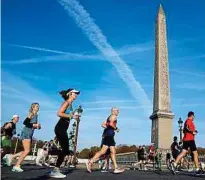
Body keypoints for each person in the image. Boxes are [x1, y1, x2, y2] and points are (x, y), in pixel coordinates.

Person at [49, 89, 80, 178]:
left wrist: (74, 115)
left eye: (77, 94)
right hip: (60, 128)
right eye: (75, 93)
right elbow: (59, 113)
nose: (76, 95)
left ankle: (56, 169)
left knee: (65, 149)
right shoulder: (66, 102)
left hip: (62, 128)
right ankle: (55, 170)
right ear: (70, 94)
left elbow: (68, 114)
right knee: (65, 149)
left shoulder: (70, 104)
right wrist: (71, 116)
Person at [86, 107, 124, 174]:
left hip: (108, 135)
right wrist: (116, 128)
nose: (118, 112)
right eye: (117, 111)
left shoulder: (109, 117)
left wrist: (109, 128)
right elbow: (111, 124)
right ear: (113, 111)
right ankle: (91, 161)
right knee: (103, 152)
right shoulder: (113, 116)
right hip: (109, 136)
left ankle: (116, 168)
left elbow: (103, 124)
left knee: (113, 152)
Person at [11, 103, 41, 172]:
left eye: (38, 107)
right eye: (36, 106)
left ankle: (13, 157)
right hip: (26, 133)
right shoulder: (31, 114)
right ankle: (16, 165)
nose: (38, 108)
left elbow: (31, 125)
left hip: (29, 133)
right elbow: (25, 122)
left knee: (26, 150)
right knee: (27, 150)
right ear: (33, 107)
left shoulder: (36, 115)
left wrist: (37, 126)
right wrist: (35, 124)